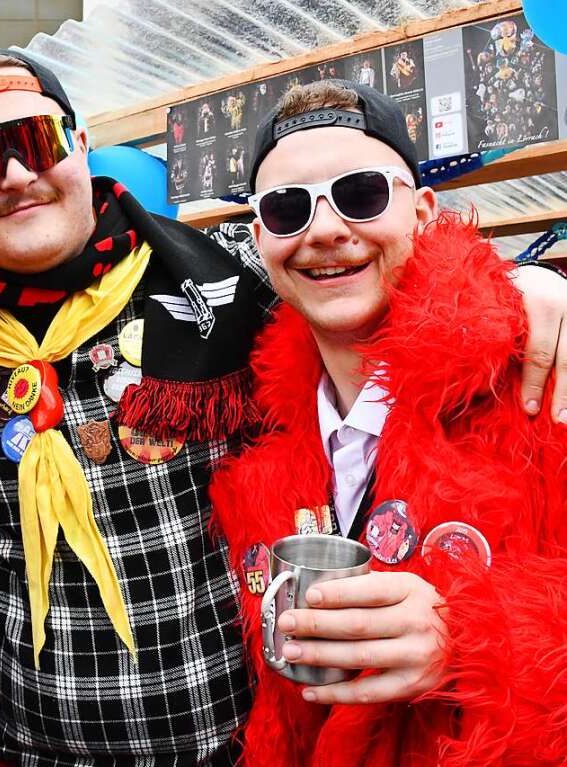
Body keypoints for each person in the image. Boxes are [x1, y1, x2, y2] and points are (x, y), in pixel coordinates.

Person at [0, 50, 567, 765]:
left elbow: (381, 275)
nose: (13, 174)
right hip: (20, 751)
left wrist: (517, 285)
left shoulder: (220, 289)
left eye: (34, 141)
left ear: (78, 146)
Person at [210, 79, 567, 766]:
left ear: (424, 211)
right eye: (286, 209)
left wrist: (470, 642)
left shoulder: (539, 383)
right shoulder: (257, 442)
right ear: (260, 240)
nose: (322, 229)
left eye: (361, 193)